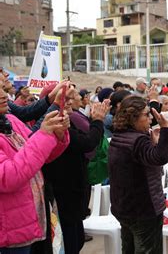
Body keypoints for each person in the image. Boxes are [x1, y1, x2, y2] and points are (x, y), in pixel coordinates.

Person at [0, 87, 70, 253]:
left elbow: (36, 158)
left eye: (2, 89)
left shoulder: (10, 119)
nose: (4, 95)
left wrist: (56, 134)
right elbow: (9, 177)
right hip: (8, 228)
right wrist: (44, 134)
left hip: (27, 219)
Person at [41, 89, 109, 254]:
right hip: (64, 193)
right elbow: (87, 142)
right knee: (70, 241)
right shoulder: (55, 127)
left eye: (72, 97)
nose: (71, 101)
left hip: (74, 190)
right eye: (66, 99)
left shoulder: (68, 122)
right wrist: (98, 120)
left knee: (76, 239)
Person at [109, 96, 168, 254]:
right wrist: (167, 130)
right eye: (146, 114)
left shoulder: (119, 136)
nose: (151, 118)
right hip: (143, 209)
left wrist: (153, 144)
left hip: (124, 207)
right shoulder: (137, 141)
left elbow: (141, 164)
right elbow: (160, 158)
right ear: (133, 118)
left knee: (129, 248)